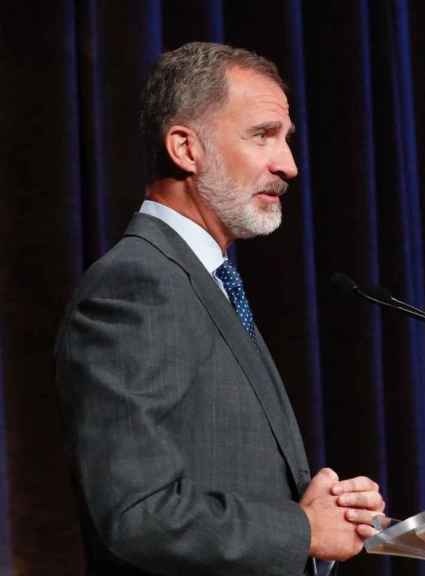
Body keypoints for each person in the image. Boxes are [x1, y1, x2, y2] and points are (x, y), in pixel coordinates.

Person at [55, 42, 383, 575]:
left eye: (287, 140)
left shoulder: (206, 280)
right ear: (186, 149)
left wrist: (324, 512)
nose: (290, 166)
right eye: (262, 136)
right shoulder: (136, 284)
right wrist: (301, 529)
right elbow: (138, 514)